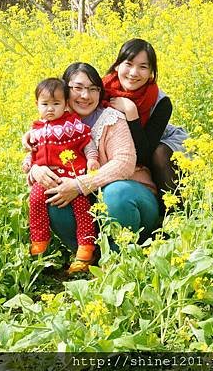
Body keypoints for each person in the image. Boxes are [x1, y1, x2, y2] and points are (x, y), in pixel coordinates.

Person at [27, 63, 161, 273]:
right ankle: (89, 256)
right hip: (89, 209)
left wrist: (81, 184)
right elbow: (36, 154)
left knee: (115, 193)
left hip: (132, 201)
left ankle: (121, 259)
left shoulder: (111, 118)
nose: (85, 95)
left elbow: (124, 163)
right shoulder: (53, 122)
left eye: (93, 89)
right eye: (77, 88)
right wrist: (36, 170)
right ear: (64, 90)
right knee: (53, 194)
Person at [23, 78, 100, 267]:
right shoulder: (36, 129)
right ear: (37, 105)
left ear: (66, 105)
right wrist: (28, 163)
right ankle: (39, 242)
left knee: (83, 210)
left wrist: (92, 159)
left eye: (56, 104)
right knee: (35, 200)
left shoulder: (72, 124)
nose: (50, 109)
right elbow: (33, 153)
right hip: (47, 179)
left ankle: (85, 249)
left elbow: (87, 142)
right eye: (45, 104)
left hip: (73, 176)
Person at [103, 38, 188, 201]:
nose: (133, 73)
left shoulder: (161, 102)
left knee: (160, 154)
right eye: (128, 64)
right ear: (117, 65)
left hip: (154, 147)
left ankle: (173, 212)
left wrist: (131, 112)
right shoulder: (100, 90)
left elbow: (144, 154)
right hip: (120, 149)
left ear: (151, 73)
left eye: (143, 67)